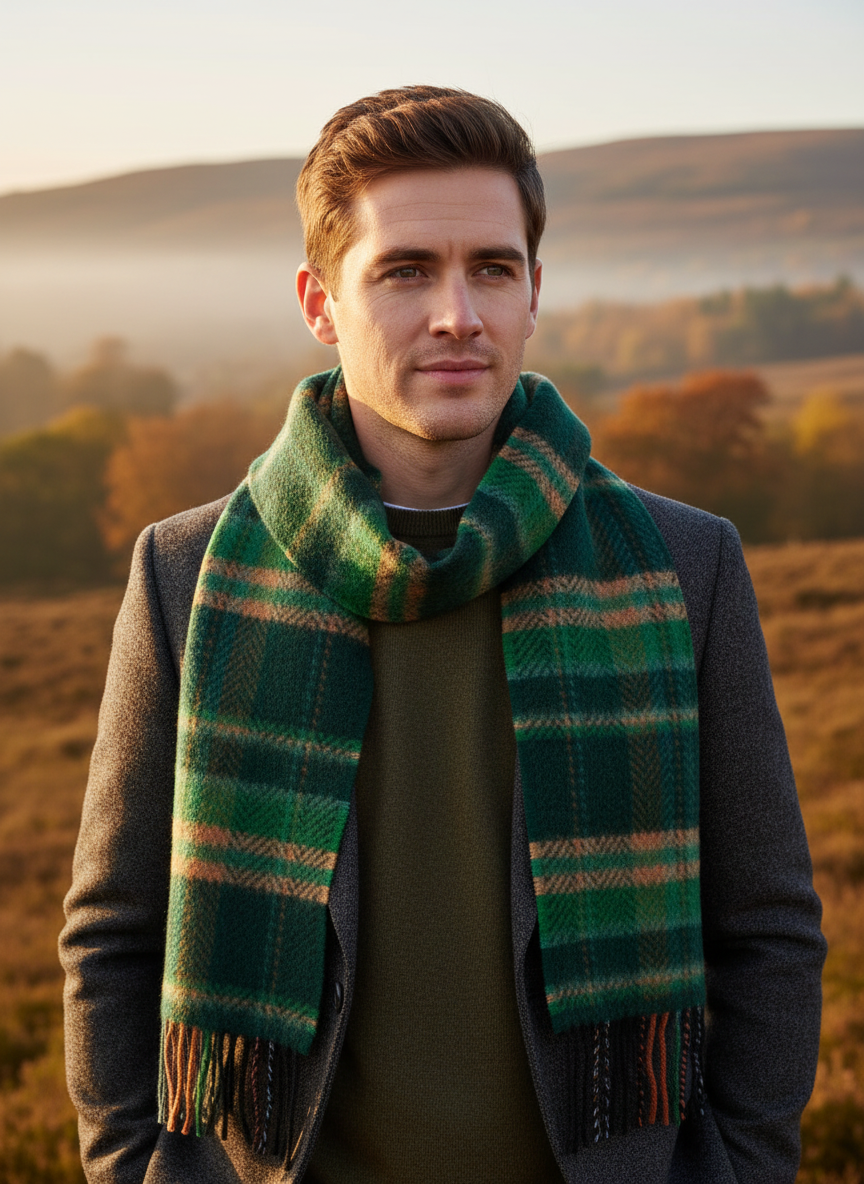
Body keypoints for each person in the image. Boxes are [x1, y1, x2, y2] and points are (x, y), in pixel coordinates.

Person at [60, 85, 826, 1184]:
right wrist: (139, 1166)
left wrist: (742, 1165)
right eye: (406, 270)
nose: (457, 313)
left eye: (493, 269)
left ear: (534, 294)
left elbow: (769, 927)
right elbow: (114, 935)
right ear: (320, 302)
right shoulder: (187, 574)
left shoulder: (682, 565)